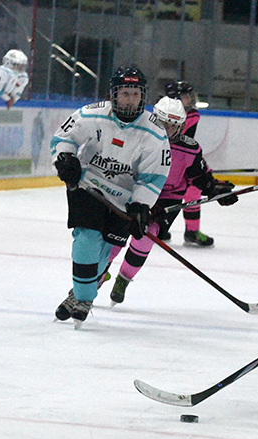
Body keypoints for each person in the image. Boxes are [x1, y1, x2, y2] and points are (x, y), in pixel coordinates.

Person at [49, 66, 172, 327]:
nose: (130, 99)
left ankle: (77, 295)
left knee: (105, 251)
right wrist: (66, 159)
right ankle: (84, 297)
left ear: (143, 96)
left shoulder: (155, 132)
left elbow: (153, 176)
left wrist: (141, 205)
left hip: (124, 198)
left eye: (135, 94)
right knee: (86, 238)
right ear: (114, 94)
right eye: (125, 93)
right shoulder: (91, 114)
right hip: (89, 186)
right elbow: (63, 137)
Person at [101, 95, 237, 304]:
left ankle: (124, 279)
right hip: (133, 194)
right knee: (115, 237)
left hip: (166, 200)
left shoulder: (189, 148)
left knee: (146, 238)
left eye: (173, 126)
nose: (167, 130)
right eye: (164, 124)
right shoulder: (137, 137)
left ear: (181, 127)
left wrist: (214, 189)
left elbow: (200, 177)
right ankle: (97, 274)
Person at [153, 80, 217, 247]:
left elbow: (184, 143)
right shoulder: (162, 115)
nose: (188, 99)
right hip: (165, 163)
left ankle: (191, 231)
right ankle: (160, 228)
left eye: (188, 96)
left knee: (193, 191)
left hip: (179, 162)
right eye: (184, 96)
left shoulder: (192, 115)